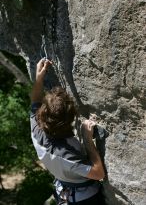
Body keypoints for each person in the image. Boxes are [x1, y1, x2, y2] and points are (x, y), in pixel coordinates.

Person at [30, 58, 105, 205]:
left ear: (43, 113)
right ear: (70, 119)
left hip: (64, 191)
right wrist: (88, 140)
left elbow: (35, 101)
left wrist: (39, 77)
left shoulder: (36, 128)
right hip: (85, 200)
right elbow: (98, 173)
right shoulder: (67, 155)